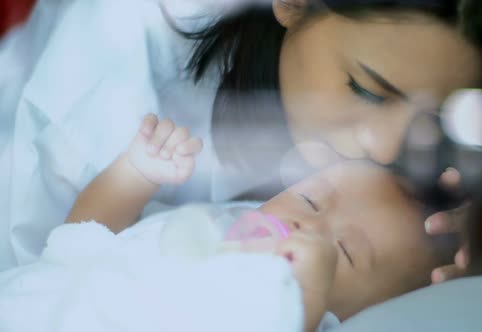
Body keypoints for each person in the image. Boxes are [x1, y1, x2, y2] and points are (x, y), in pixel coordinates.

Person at [0, 0, 482, 270]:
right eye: (367, 91)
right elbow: (41, 277)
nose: (385, 149)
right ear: (295, 4)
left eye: (434, 118)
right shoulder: (110, 80)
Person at [65, 115, 454, 331]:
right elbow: (77, 244)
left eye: (342, 252)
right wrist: (135, 173)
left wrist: (302, 303)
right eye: (309, 200)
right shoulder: (216, 223)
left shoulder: (308, 321)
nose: (308, 229)